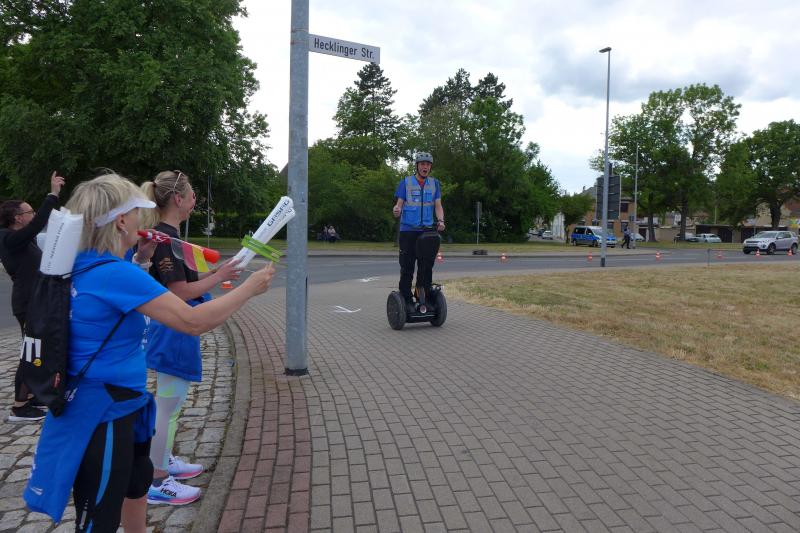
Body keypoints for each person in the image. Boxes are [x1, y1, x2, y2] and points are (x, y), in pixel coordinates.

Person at [23, 173, 275, 533]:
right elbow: (192, 321)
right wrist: (249, 288)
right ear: (121, 221)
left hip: (118, 402)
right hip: (104, 411)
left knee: (136, 487)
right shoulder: (115, 273)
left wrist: (140, 258)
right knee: (99, 517)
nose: (143, 219)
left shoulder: (83, 260)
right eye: (136, 213)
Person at [140, 170, 241, 506]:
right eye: (193, 195)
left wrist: (217, 272)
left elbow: (188, 277)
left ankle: (163, 459)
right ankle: (156, 480)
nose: (196, 201)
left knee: (172, 403)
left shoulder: (170, 236)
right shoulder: (165, 239)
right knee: (167, 406)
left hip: (176, 327)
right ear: (178, 199)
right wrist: (220, 276)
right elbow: (179, 291)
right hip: (174, 328)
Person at [0, 171, 65, 422]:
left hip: (36, 300)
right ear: (18, 218)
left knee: (38, 350)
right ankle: (19, 407)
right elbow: (38, 224)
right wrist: (52, 195)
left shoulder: (21, 240)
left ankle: (32, 395)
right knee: (30, 351)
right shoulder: (10, 238)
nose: (34, 215)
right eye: (30, 212)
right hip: (27, 303)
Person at [392, 152, 445, 313]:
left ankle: (423, 298)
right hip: (408, 231)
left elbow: (438, 205)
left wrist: (441, 220)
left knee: (426, 268)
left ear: (430, 167)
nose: (425, 167)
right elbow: (399, 204)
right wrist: (397, 209)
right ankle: (407, 300)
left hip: (427, 232)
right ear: (417, 166)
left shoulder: (434, 184)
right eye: (422, 164)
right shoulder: (406, 182)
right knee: (407, 267)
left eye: (428, 164)